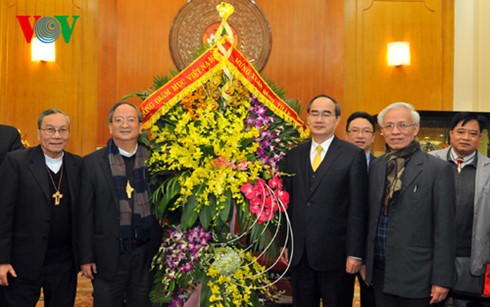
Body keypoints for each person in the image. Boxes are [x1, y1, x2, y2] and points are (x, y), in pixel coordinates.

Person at [363, 102, 456, 306]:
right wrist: (365, 261)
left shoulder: (438, 170)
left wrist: (441, 279)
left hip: (418, 275)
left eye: (403, 125)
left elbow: (445, 230)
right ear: (382, 132)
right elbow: (369, 219)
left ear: (416, 129)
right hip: (380, 273)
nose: (395, 131)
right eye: (389, 126)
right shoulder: (377, 167)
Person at [282, 94, 368, 306]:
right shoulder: (293, 155)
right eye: (314, 113)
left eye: (326, 114)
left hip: (337, 256)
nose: (319, 119)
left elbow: (358, 208)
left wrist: (355, 253)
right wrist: (285, 241)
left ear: (337, 120)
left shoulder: (352, 155)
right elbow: (286, 203)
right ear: (308, 118)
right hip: (300, 254)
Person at [78, 102, 162, 307]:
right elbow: (84, 214)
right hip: (107, 255)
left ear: (141, 127)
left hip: (145, 254)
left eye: (131, 120)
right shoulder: (91, 163)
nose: (125, 125)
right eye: (119, 120)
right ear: (110, 127)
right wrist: (86, 256)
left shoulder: (156, 161)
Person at [0, 109, 81, 307]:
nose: (56, 136)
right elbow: (3, 213)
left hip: (64, 264)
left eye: (62, 130)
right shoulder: (16, 162)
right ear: (38, 133)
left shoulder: (78, 165)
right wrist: (2, 260)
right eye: (50, 130)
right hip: (22, 263)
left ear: (69, 133)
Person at [430, 112, 490, 306]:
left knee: (465, 303)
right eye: (461, 132)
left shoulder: (488, 168)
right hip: (432, 254)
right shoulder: (429, 162)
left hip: (469, 256)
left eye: (473, 133)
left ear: (480, 138)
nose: (466, 137)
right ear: (450, 134)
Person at [345, 111, 377, 307]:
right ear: (346, 134)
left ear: (374, 136)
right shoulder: (335, 166)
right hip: (342, 250)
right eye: (355, 131)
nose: (360, 136)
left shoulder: (383, 167)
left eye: (366, 131)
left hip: (373, 252)